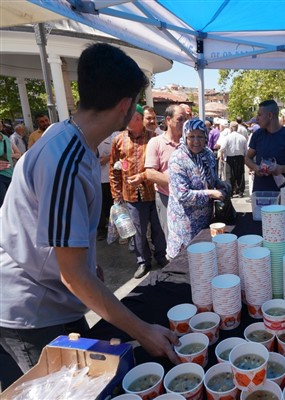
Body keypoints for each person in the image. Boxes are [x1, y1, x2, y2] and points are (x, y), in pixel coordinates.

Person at [0, 43, 180, 374]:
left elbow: (66, 254)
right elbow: (72, 275)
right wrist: (143, 331)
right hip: (32, 313)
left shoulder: (68, 141)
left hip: (50, 303)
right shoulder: (64, 160)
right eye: (137, 104)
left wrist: (85, 265)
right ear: (125, 106)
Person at [110, 104, 168, 279]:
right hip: (131, 195)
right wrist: (116, 195)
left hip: (155, 191)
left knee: (158, 229)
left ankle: (161, 255)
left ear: (137, 118)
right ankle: (143, 261)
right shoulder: (119, 140)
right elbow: (114, 169)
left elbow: (162, 166)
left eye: (128, 116)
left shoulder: (154, 138)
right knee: (138, 231)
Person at [167, 118, 230, 258]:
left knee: (205, 263)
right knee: (186, 265)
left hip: (206, 222)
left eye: (200, 136)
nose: (196, 141)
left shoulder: (207, 154)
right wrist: (211, 193)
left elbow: (210, 179)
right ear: (185, 136)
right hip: (185, 227)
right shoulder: (178, 159)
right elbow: (183, 196)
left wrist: (220, 184)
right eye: (191, 136)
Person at [145, 104, 185, 239]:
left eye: (185, 119)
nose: (183, 123)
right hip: (167, 198)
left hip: (190, 200)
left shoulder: (190, 142)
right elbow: (150, 173)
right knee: (172, 240)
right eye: (180, 119)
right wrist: (178, 184)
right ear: (168, 120)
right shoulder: (156, 142)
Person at [245, 100, 285, 192]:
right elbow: (247, 158)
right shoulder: (257, 134)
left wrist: (281, 169)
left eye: (259, 115)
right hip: (260, 192)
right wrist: (256, 168)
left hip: (283, 192)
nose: (257, 118)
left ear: (270, 116)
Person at [218, 121, 248, 198]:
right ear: (237, 128)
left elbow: (222, 148)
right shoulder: (242, 138)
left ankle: (230, 192)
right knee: (240, 175)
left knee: (229, 175)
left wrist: (221, 157)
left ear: (230, 128)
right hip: (240, 158)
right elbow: (245, 150)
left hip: (230, 158)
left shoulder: (227, 137)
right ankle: (241, 191)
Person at [97, 130, 116, 240]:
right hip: (96, 178)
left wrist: (108, 158)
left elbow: (119, 151)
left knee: (111, 204)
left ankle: (113, 228)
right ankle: (101, 229)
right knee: (100, 206)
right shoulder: (90, 135)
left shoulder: (113, 135)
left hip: (110, 177)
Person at [0, 123, 22, 207]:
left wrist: (8, 156)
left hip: (10, 174)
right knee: (3, 205)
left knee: (12, 204)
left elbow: (19, 154)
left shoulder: (6, 138)